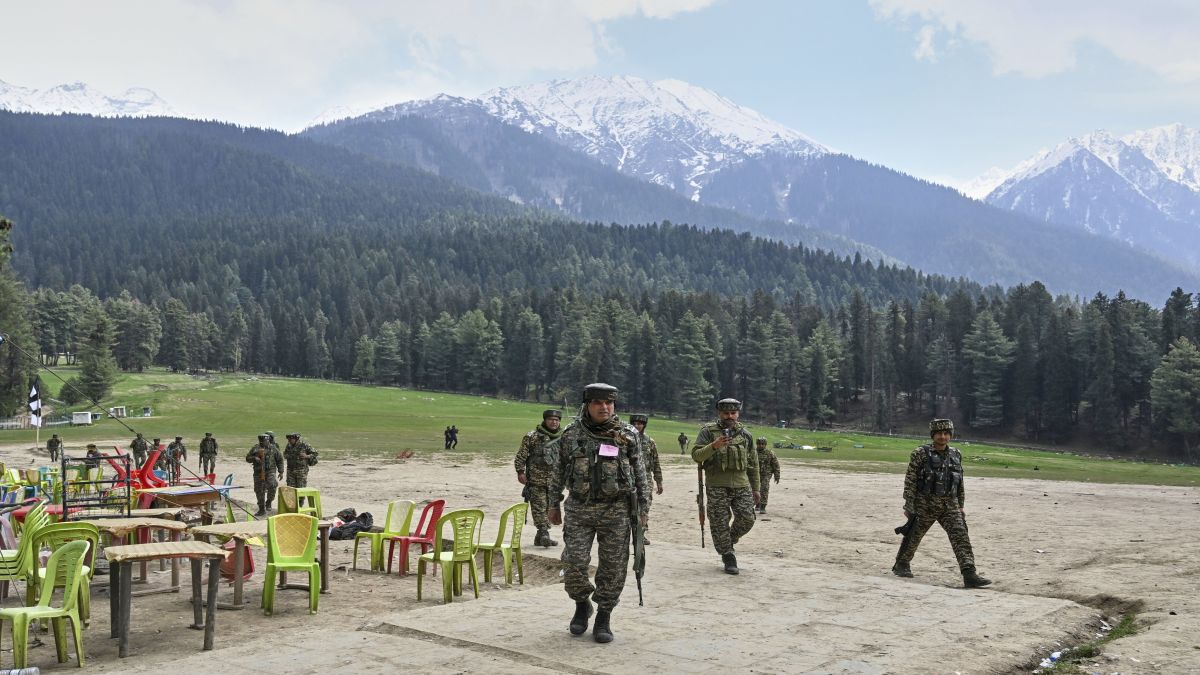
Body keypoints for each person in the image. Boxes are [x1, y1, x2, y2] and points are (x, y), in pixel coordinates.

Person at [547, 383, 649, 644]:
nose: (604, 407)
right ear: (587, 405)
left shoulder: (627, 435)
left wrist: (644, 511)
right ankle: (582, 603)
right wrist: (553, 503)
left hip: (617, 510)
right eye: (598, 403)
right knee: (573, 563)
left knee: (613, 567)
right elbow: (557, 470)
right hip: (579, 508)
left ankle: (604, 614)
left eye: (609, 403)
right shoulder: (571, 434)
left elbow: (640, 474)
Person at [892, 419, 992, 588]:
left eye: (946, 434)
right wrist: (909, 505)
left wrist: (961, 505)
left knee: (961, 536)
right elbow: (910, 481)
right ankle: (901, 564)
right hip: (925, 504)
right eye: (939, 433)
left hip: (950, 505)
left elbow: (959, 482)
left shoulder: (956, 454)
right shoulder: (920, 453)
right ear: (933, 435)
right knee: (914, 535)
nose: (943, 437)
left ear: (950, 435)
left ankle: (969, 574)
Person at [692, 398, 759, 575]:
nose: (729, 416)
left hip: (741, 484)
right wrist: (714, 446)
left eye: (733, 413)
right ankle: (728, 556)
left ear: (738, 413)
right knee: (719, 523)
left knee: (747, 518)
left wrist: (757, 488)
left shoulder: (745, 434)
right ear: (719, 413)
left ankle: (730, 539)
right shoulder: (707, 432)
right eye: (726, 413)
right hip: (717, 485)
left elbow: (753, 463)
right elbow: (697, 456)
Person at [515, 409, 564, 547]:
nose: (554, 422)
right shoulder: (532, 436)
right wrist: (520, 472)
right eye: (551, 420)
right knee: (539, 507)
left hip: (555, 483)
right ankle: (544, 533)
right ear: (545, 420)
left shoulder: (563, 438)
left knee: (549, 508)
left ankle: (539, 537)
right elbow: (521, 455)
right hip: (536, 480)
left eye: (557, 420)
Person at [628, 413, 663, 544]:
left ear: (644, 425)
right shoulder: (625, 440)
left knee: (645, 506)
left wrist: (659, 481)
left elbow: (656, 462)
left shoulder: (649, 441)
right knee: (628, 506)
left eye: (640, 424)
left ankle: (640, 534)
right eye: (635, 424)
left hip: (646, 478)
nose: (637, 426)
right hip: (628, 477)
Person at [246, 434, 284, 516]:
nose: (264, 443)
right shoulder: (255, 448)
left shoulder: (273, 448)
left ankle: (269, 501)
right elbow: (247, 458)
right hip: (258, 472)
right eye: (262, 441)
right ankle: (261, 509)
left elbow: (280, 459)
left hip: (270, 471)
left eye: (266, 441)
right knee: (259, 490)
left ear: (268, 440)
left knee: (273, 485)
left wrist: (281, 472)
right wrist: (254, 458)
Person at [755, 437, 780, 514]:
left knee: (764, 489)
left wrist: (777, 476)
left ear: (765, 445)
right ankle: (757, 503)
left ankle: (763, 506)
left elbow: (776, 465)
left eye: (763, 444)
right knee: (755, 489)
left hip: (766, 475)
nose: (761, 446)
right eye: (759, 444)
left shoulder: (770, 453)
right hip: (755, 475)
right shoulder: (753, 452)